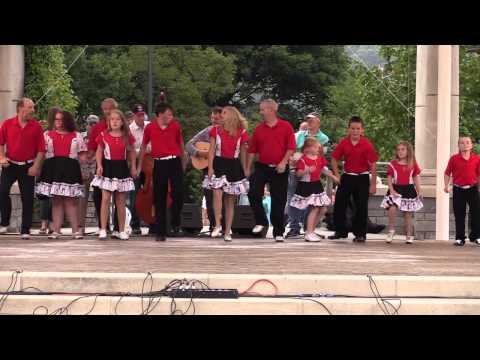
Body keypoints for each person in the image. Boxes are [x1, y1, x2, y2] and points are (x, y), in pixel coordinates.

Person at [246, 99, 296, 242]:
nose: (260, 112)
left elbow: (291, 147)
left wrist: (283, 162)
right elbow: (252, 150)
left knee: (278, 200)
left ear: (271, 110)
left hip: (279, 167)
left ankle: (278, 231)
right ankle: (261, 221)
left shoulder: (286, 126)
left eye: (262, 109)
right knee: (253, 192)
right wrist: (248, 168)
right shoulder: (259, 129)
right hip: (262, 166)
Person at [138, 103, 187, 242]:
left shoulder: (175, 126)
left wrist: (183, 162)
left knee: (178, 193)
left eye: (171, 115)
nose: (170, 117)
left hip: (174, 161)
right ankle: (161, 232)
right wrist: (138, 165)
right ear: (160, 114)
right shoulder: (150, 127)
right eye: (168, 114)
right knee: (159, 196)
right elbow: (143, 147)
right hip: (159, 163)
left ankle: (175, 220)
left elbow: (181, 144)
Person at [36, 110, 87, 239]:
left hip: (70, 169)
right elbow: (41, 153)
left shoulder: (77, 135)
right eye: (56, 119)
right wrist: (37, 168)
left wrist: (85, 169)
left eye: (61, 119)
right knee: (56, 201)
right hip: (52, 168)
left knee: (71, 201)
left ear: (67, 121)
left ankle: (76, 231)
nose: (58, 121)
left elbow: (83, 155)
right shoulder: (47, 135)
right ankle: (56, 230)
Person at [0, 98, 45, 239]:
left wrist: (36, 166)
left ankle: (25, 230)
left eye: (33, 107)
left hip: (28, 166)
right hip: (10, 165)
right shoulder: (7, 124)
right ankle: (4, 222)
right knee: (2, 191)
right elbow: (0, 143)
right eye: (30, 107)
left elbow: (41, 150)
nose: (33, 110)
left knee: (27, 198)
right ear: (20, 108)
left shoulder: (36, 126)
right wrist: (1, 158)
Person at [329, 116, 379, 242]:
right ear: (348, 130)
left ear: (362, 130)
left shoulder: (367, 144)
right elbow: (334, 158)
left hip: (362, 177)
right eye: (352, 128)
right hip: (347, 177)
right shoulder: (344, 142)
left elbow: (373, 164)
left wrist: (373, 184)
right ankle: (340, 231)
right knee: (339, 203)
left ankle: (360, 234)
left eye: (358, 129)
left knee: (361, 206)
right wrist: (337, 174)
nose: (355, 131)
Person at [203, 106, 249, 242]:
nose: (220, 115)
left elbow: (244, 152)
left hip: (233, 165)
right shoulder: (215, 130)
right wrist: (210, 167)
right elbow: (211, 151)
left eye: (224, 113)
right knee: (217, 191)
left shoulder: (242, 132)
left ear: (232, 115)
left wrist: (245, 168)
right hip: (218, 163)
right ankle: (217, 223)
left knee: (230, 200)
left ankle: (227, 231)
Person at [91, 110, 137, 240]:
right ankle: (103, 229)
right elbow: (99, 151)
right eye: (112, 119)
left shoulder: (126, 136)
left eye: (118, 119)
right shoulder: (103, 135)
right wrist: (99, 165)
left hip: (121, 167)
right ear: (109, 122)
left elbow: (132, 151)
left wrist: (133, 166)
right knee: (105, 199)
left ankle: (121, 230)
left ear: (122, 121)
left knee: (120, 200)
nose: (115, 122)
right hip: (108, 167)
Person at [286, 112, 330, 238]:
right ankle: (294, 227)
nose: (309, 122)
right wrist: (291, 158)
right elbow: (291, 150)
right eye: (308, 120)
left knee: (313, 201)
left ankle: (308, 228)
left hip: (312, 174)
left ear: (318, 122)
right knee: (293, 199)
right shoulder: (298, 135)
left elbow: (321, 156)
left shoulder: (324, 138)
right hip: (296, 170)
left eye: (312, 120)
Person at [290, 138, 339, 242]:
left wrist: (333, 177)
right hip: (306, 186)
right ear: (308, 149)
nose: (318, 148)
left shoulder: (319, 158)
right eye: (316, 147)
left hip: (316, 185)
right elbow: (298, 173)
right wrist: (307, 170)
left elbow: (322, 169)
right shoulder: (303, 159)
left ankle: (310, 230)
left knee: (323, 209)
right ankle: (309, 233)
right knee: (315, 208)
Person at [186, 106, 223, 232]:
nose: (214, 121)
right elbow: (188, 144)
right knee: (209, 197)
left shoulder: (228, 131)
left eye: (217, 118)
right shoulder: (207, 131)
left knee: (224, 197)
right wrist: (200, 153)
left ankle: (223, 225)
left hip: (223, 166)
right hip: (208, 168)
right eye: (212, 118)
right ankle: (214, 225)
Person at [87, 98, 120, 237]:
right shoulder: (98, 127)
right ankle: (103, 226)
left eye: (109, 108)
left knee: (120, 196)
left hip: (119, 164)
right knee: (98, 195)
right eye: (104, 109)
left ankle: (119, 228)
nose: (106, 111)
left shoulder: (122, 126)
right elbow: (91, 150)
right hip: (103, 164)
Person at [381, 141, 423, 244]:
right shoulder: (393, 163)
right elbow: (389, 177)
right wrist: (391, 189)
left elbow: (416, 177)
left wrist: (419, 190)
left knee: (408, 213)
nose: (400, 151)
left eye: (403, 149)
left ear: (408, 151)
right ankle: (391, 231)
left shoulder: (413, 164)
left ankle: (408, 234)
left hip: (408, 189)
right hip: (396, 188)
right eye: (398, 149)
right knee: (392, 208)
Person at [444, 136, 480, 246]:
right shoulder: (454, 159)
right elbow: (447, 173)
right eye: (462, 143)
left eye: (467, 142)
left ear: (471, 145)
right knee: (459, 214)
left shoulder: (477, 159)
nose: (465, 145)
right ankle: (460, 238)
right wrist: (446, 185)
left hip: (473, 189)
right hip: (458, 189)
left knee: (476, 213)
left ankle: (476, 236)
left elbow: (479, 174)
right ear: (459, 146)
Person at [129, 104, 150, 235]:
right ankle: (135, 223)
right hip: (136, 163)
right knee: (134, 194)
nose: (141, 117)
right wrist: (143, 150)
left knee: (152, 193)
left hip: (151, 163)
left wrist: (141, 150)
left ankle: (152, 221)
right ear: (134, 116)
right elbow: (130, 150)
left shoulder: (150, 126)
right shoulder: (130, 129)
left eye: (143, 114)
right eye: (139, 115)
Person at [78, 114, 99, 235]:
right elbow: (78, 154)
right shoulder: (81, 137)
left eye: (95, 124)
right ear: (86, 125)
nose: (92, 126)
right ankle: (80, 227)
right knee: (82, 197)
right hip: (83, 170)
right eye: (90, 124)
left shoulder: (102, 136)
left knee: (100, 197)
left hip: (97, 170)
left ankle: (103, 226)